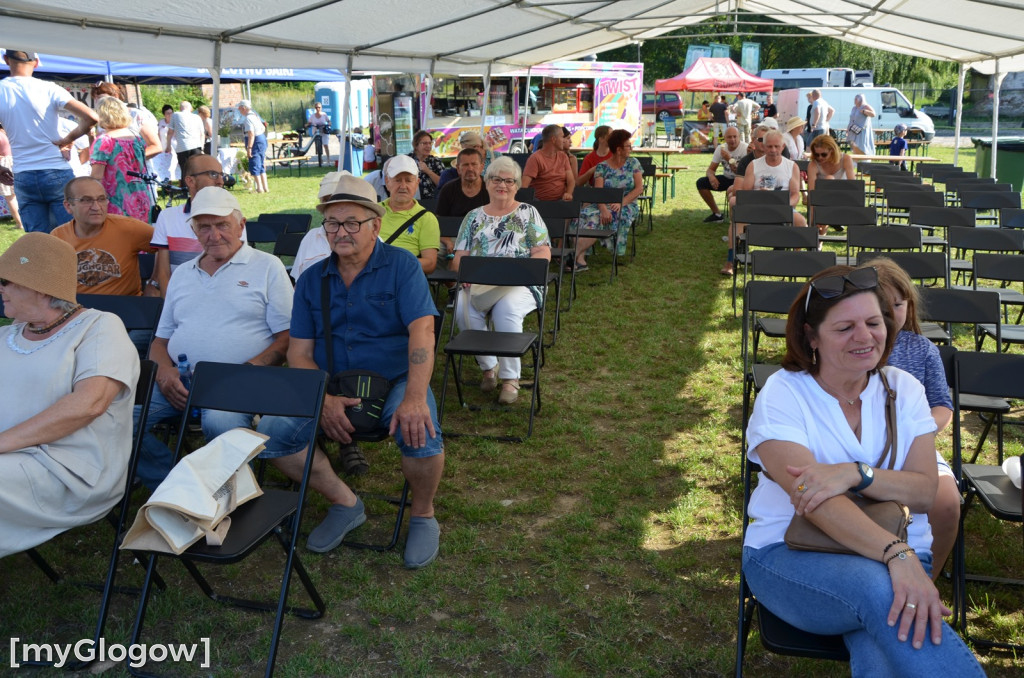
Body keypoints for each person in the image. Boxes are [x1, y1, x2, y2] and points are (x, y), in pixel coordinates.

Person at [742, 264, 985, 677]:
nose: (865, 336)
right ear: (810, 336)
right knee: (887, 594)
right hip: (791, 553)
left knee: (884, 645)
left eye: (874, 322)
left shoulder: (903, 387)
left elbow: (927, 491)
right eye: (844, 328)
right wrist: (898, 555)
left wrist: (857, 473)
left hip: (900, 556)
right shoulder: (783, 393)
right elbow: (815, 502)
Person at [285, 173, 444, 567]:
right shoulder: (310, 279)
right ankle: (345, 502)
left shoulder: (402, 266)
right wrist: (323, 398)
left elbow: (423, 331)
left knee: (420, 431)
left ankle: (423, 513)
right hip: (332, 383)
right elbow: (298, 353)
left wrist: (413, 398)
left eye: (352, 222)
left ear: (375, 225)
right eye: (333, 223)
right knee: (274, 435)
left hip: (396, 378)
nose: (341, 231)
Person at [133, 186, 293, 490]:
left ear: (241, 225)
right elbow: (159, 341)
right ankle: (177, 488)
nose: (213, 235)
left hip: (239, 379)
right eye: (203, 227)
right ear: (193, 230)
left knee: (219, 422)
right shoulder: (182, 273)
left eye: (222, 225)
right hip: (179, 381)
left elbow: (286, 338)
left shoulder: (266, 267)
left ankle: (222, 494)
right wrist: (165, 374)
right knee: (117, 416)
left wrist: (246, 371)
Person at [0, 232, 139, 559]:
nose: (0, 288)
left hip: (70, 470)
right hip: (13, 457)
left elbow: (88, 405)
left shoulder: (99, 327)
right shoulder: (7, 335)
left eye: (6, 280)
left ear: (40, 287)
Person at [873, 258, 960, 581]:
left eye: (897, 304)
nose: (889, 313)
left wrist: (917, 430)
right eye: (880, 305)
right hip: (859, 443)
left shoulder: (922, 349)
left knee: (948, 501)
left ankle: (927, 579)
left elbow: (942, 407)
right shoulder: (854, 344)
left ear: (909, 305)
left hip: (914, 445)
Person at [452, 156, 551, 404]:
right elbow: (459, 258)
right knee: (462, 309)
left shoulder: (528, 213)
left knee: (506, 310)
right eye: (496, 179)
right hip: (480, 283)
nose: (502, 185)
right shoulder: (473, 217)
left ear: (517, 185)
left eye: (509, 181)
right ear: (487, 183)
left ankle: (510, 378)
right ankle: (489, 367)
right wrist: (465, 274)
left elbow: (542, 253)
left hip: (521, 283)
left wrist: (523, 273)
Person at [0, 49, 98, 233]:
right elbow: (91, 117)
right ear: (36, 63)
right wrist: (68, 139)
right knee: (70, 236)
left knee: (38, 242)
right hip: (56, 169)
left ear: (6, 60)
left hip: (23, 172)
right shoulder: (49, 88)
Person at [52, 177, 156, 297]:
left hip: (124, 307)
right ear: (68, 206)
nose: (96, 207)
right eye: (86, 200)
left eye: (101, 199)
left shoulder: (129, 228)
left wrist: (155, 282)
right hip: (79, 309)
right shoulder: (58, 237)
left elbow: (168, 246)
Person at [722, 129, 806, 276]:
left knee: (801, 222)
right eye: (769, 146)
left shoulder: (791, 166)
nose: (773, 150)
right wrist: (759, 195)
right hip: (757, 208)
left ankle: (794, 259)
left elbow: (795, 195)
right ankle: (731, 259)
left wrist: (785, 205)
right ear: (763, 146)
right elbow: (745, 192)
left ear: (783, 146)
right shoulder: (754, 165)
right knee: (737, 221)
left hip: (782, 209)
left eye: (776, 146)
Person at [149, 154, 234, 295]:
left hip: (221, 295)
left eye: (221, 174)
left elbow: (234, 268)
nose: (220, 181)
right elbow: (163, 274)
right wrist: (170, 308)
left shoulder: (232, 216)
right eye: (213, 174)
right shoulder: (167, 217)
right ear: (190, 181)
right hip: (180, 297)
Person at [89, 97, 153, 222]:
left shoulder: (105, 141)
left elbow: (96, 176)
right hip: (141, 197)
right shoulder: (136, 137)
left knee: (119, 237)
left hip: (117, 201)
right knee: (143, 237)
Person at [381, 154, 440, 274]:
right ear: (387, 182)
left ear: (417, 183)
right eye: (397, 180)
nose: (403, 186)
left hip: (404, 278)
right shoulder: (373, 212)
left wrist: (394, 264)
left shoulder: (426, 218)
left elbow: (430, 263)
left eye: (408, 180)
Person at [290, 171, 346, 283]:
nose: (332, 206)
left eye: (337, 199)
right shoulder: (312, 237)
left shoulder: (369, 238)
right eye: (326, 201)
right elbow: (299, 283)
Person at [89, 82, 161, 161]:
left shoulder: (135, 114)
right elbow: (99, 151)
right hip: (111, 171)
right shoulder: (102, 120)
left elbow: (156, 146)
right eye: (95, 99)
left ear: (115, 96)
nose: (97, 102)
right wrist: (91, 137)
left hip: (137, 170)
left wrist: (129, 160)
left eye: (100, 98)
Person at [696, 126, 747, 223]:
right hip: (727, 177)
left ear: (739, 136)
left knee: (733, 190)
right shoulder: (721, 148)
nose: (732, 140)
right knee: (701, 183)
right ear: (725, 138)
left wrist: (729, 159)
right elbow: (710, 169)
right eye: (729, 137)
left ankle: (737, 218)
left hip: (740, 180)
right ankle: (717, 214)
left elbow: (740, 173)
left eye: (735, 136)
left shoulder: (745, 149)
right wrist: (711, 177)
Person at [522, 124, 574, 202]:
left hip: (561, 201)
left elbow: (571, 180)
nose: (564, 140)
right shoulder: (535, 158)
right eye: (562, 137)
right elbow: (524, 186)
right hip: (539, 203)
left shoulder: (563, 156)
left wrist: (568, 194)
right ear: (553, 139)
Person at [165, 101, 204, 184]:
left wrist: (168, 145)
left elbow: (170, 132)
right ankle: (199, 186)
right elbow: (202, 134)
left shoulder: (176, 115)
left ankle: (186, 189)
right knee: (196, 168)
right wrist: (202, 146)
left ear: (180, 108)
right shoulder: (197, 117)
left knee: (185, 169)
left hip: (183, 147)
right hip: (196, 145)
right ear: (190, 108)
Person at [237, 100, 269, 194]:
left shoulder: (248, 118)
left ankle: (259, 188)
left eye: (239, 108)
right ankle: (265, 187)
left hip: (255, 141)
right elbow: (263, 128)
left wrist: (249, 148)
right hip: (262, 139)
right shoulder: (255, 115)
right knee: (261, 164)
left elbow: (251, 134)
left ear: (243, 108)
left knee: (255, 164)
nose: (239, 110)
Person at [0, 123, 23, 229]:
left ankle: (19, 223)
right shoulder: (4, 134)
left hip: (4, 163)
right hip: (12, 161)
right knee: (15, 194)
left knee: (9, 196)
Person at [409, 130, 444, 200]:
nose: (428, 146)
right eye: (424, 143)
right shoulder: (408, 160)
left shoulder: (435, 161)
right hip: (411, 201)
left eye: (430, 143)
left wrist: (428, 171)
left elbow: (443, 184)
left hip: (432, 201)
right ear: (416, 145)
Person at [847, 93, 877, 158]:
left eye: (856, 99)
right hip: (854, 129)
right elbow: (851, 119)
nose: (855, 100)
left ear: (860, 99)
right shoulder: (854, 108)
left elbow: (873, 114)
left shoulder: (865, 106)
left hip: (862, 131)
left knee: (862, 145)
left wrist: (864, 111)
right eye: (854, 99)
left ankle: (864, 158)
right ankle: (857, 159)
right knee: (854, 145)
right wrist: (848, 128)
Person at [306, 102, 330, 166]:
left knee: (326, 145)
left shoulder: (324, 115)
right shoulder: (312, 116)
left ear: (321, 108)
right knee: (318, 145)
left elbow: (328, 121)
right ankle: (320, 160)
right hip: (316, 132)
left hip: (323, 131)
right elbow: (309, 122)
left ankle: (328, 159)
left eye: (319, 107)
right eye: (316, 107)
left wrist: (329, 124)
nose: (317, 109)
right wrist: (307, 125)